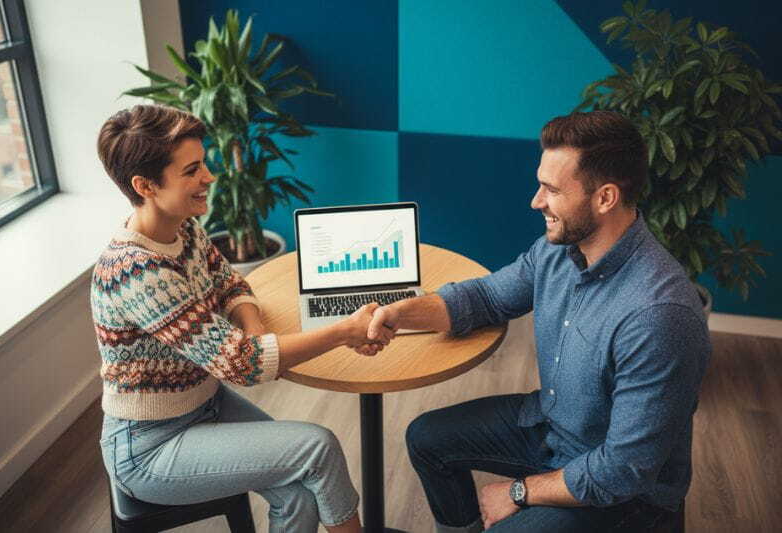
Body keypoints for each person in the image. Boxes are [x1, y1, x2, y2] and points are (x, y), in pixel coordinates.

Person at [363, 111, 711, 532]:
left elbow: (622, 471)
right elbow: (487, 298)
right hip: (554, 429)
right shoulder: (559, 249)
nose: (536, 201)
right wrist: (401, 312)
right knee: (426, 438)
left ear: (605, 198)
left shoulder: (659, 316)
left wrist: (518, 491)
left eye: (552, 190)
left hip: (624, 496)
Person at [92, 104, 385, 533]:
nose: (209, 177)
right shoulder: (137, 273)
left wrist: (256, 332)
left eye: (203, 163)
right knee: (317, 447)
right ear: (145, 185)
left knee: (300, 491)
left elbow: (230, 283)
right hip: (149, 447)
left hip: (205, 404)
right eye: (192, 170)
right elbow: (243, 365)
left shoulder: (182, 228)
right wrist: (345, 330)